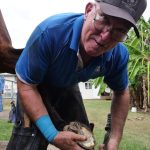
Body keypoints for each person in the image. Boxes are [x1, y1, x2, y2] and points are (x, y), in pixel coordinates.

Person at [7, 0, 147, 150]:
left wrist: (113, 140)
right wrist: (52, 135)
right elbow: (26, 85)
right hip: (34, 84)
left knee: (83, 140)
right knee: (28, 142)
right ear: (88, 10)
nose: (105, 37)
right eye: (104, 19)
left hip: (67, 83)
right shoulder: (50, 33)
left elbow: (121, 92)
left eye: (119, 30)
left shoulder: (117, 55)